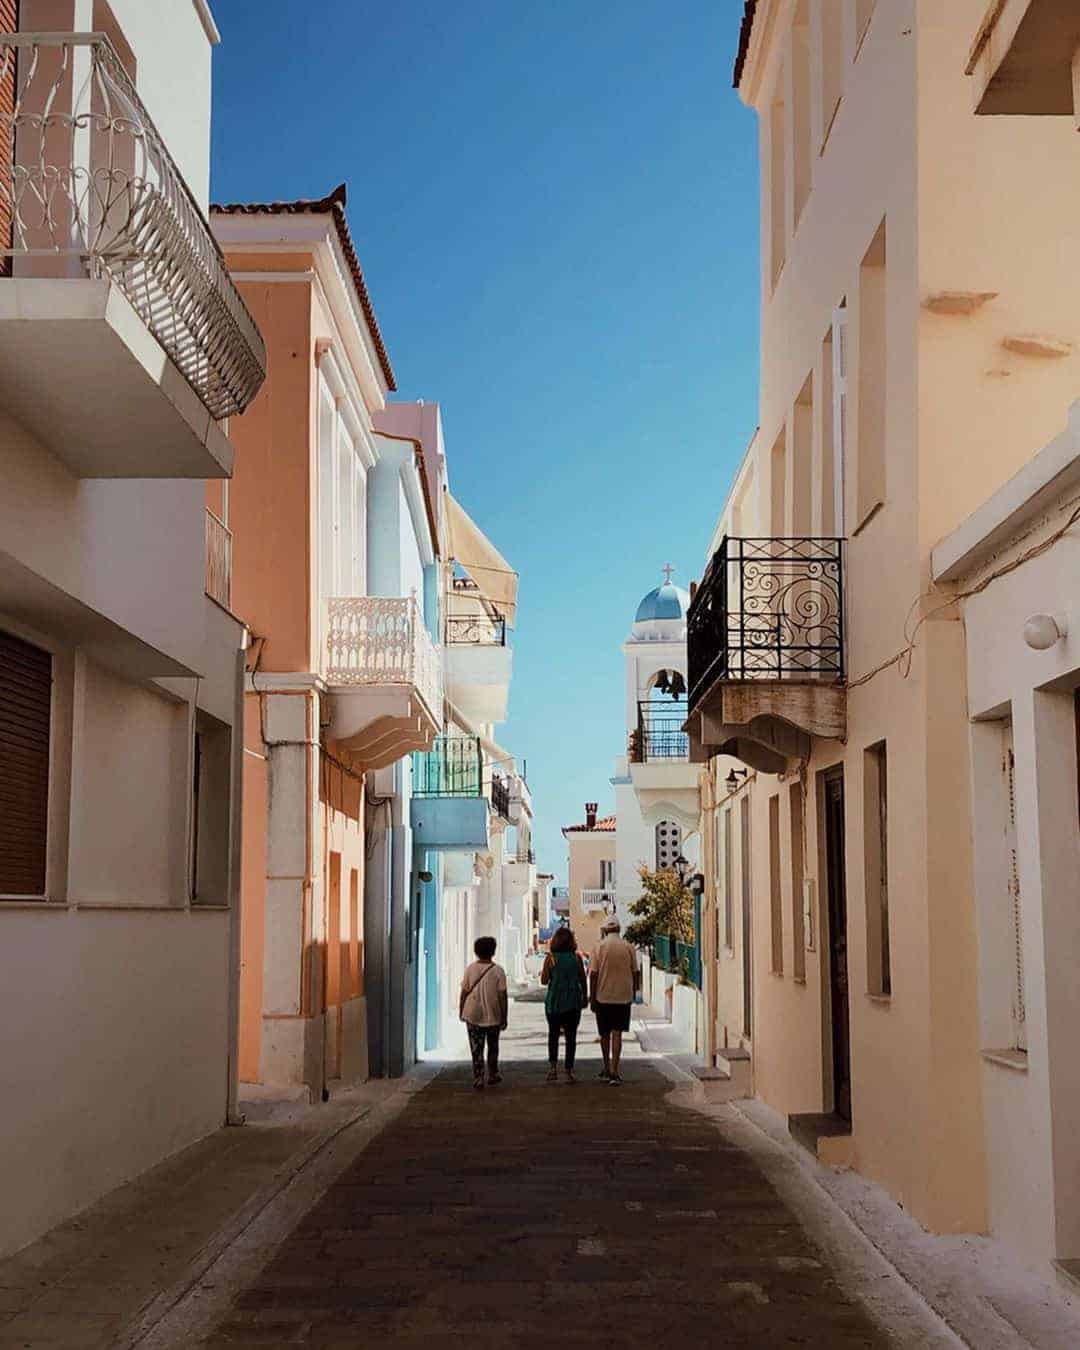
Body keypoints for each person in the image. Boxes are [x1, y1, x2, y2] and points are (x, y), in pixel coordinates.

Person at [589, 917, 640, 1085]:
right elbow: (635, 972)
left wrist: (592, 996)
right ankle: (614, 1071)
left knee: (604, 1034)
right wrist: (634, 991)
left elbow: (594, 974)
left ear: (605, 930)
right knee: (617, 1033)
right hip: (623, 996)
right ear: (619, 929)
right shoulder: (628, 947)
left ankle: (605, 1066)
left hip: (603, 996)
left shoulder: (599, 947)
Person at [459, 936, 508, 1090]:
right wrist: (504, 1016)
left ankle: (478, 1077)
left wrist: (461, 1010)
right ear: (493, 951)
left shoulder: (470, 969)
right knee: (493, 1047)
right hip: (493, 1014)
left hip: (472, 1014)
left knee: (476, 1048)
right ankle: (492, 1074)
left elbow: (464, 991)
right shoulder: (498, 971)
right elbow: (502, 995)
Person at [540, 926, 588, 1083]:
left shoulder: (551, 958)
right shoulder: (576, 958)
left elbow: (544, 980)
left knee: (553, 1035)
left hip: (554, 1002)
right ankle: (569, 1070)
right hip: (573, 1001)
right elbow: (582, 979)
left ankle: (553, 1069)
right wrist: (585, 998)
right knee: (571, 1037)